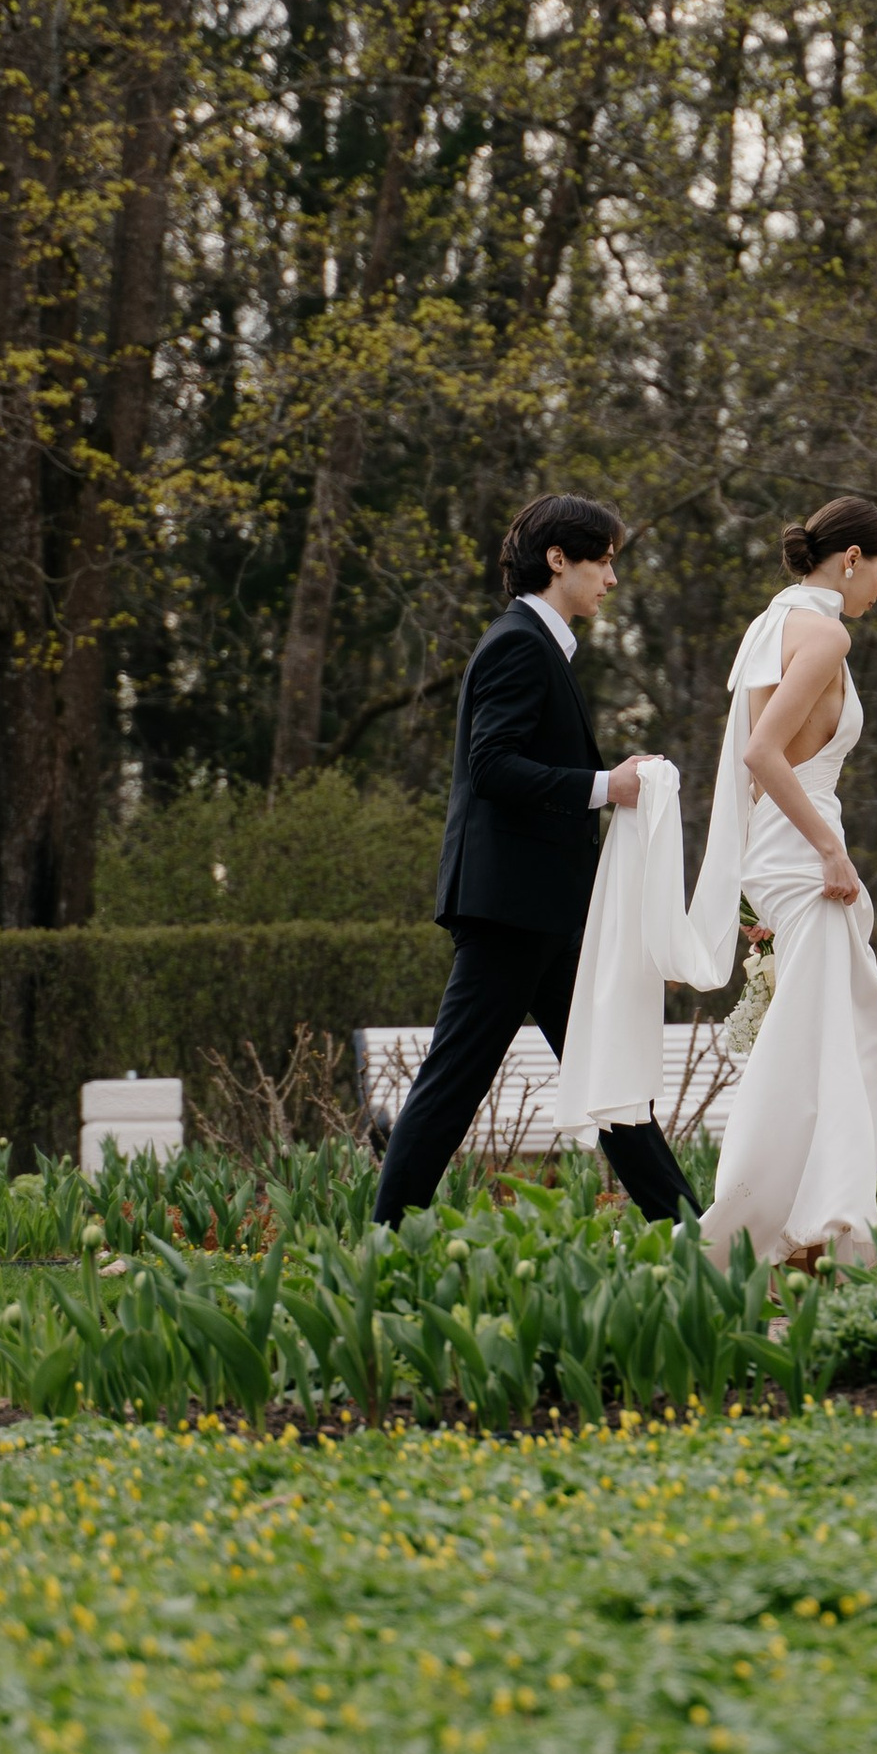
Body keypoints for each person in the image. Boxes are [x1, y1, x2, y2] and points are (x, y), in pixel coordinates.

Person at [552, 492, 877, 1264]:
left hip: (783, 856)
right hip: (810, 857)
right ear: (850, 560)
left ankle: (805, 1226)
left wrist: (757, 886)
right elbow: (761, 757)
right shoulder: (823, 638)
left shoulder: (770, 625)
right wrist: (830, 852)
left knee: (843, 1039)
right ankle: (806, 1227)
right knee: (852, 1044)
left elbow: (752, 773)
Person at [373, 492, 694, 1228]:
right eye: (604, 561)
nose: (612, 580)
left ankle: (688, 1230)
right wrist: (604, 786)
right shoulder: (519, 643)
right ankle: (382, 1243)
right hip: (511, 909)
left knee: (608, 1077)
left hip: (540, 909)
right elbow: (492, 768)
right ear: (559, 560)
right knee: (453, 1083)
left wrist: (605, 786)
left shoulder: (537, 643)